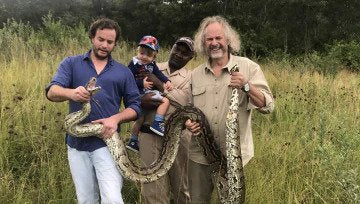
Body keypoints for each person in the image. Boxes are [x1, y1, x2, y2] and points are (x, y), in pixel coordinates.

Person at [45, 18, 141, 204]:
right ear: (92, 37)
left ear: (115, 44)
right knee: (86, 200)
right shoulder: (71, 63)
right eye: (100, 39)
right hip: (77, 146)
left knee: (112, 199)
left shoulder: (123, 72)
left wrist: (116, 119)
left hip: (107, 144)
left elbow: (136, 107)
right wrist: (71, 93)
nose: (104, 45)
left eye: (110, 42)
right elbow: (52, 92)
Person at [185, 15, 275, 203]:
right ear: (203, 43)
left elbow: (268, 106)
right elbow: (187, 110)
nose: (214, 43)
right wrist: (188, 123)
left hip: (233, 157)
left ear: (228, 40)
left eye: (218, 38)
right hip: (199, 156)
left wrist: (247, 86)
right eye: (209, 39)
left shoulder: (248, 67)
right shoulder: (195, 75)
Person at [139, 37, 195, 204]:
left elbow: (185, 101)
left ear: (190, 58)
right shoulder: (151, 65)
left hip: (179, 136)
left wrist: (158, 83)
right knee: (152, 188)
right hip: (149, 133)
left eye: (185, 53)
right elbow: (134, 90)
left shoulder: (192, 77)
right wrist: (140, 100)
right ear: (171, 48)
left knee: (181, 187)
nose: (178, 54)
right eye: (177, 49)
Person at [126, 35, 173, 153]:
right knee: (165, 101)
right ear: (138, 52)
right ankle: (158, 122)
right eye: (142, 53)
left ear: (154, 56)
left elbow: (159, 75)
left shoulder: (152, 65)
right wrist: (141, 83)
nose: (144, 57)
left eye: (148, 55)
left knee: (140, 119)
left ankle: (133, 140)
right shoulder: (134, 64)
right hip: (139, 95)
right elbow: (128, 80)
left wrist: (167, 81)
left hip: (149, 93)